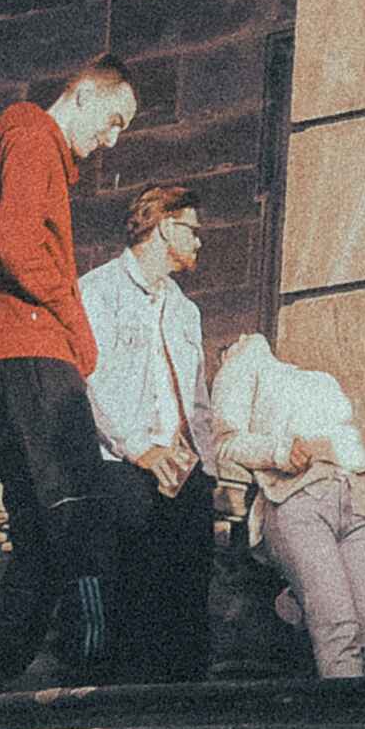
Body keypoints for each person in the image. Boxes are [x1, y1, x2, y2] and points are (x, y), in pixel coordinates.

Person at [0, 52, 136, 690]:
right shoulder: (35, 138)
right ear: (85, 96)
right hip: (35, 349)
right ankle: (91, 665)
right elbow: (13, 243)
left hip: (16, 353)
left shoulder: (28, 144)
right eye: (114, 120)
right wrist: (74, 322)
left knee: (39, 530)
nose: (112, 140)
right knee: (80, 508)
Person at [82, 180, 224, 682]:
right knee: (132, 592)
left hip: (183, 471)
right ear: (164, 227)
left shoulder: (186, 309)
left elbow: (197, 398)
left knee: (188, 598)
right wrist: (139, 449)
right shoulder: (98, 290)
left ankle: (180, 699)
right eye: (192, 230)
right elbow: (91, 381)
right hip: (123, 465)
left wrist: (207, 467)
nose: (199, 240)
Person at [208, 320, 365, 678]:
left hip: (354, 497)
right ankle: (350, 714)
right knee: (338, 627)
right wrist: (280, 451)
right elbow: (224, 442)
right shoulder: (242, 359)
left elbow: (336, 435)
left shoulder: (313, 378)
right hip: (298, 500)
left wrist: (362, 459)